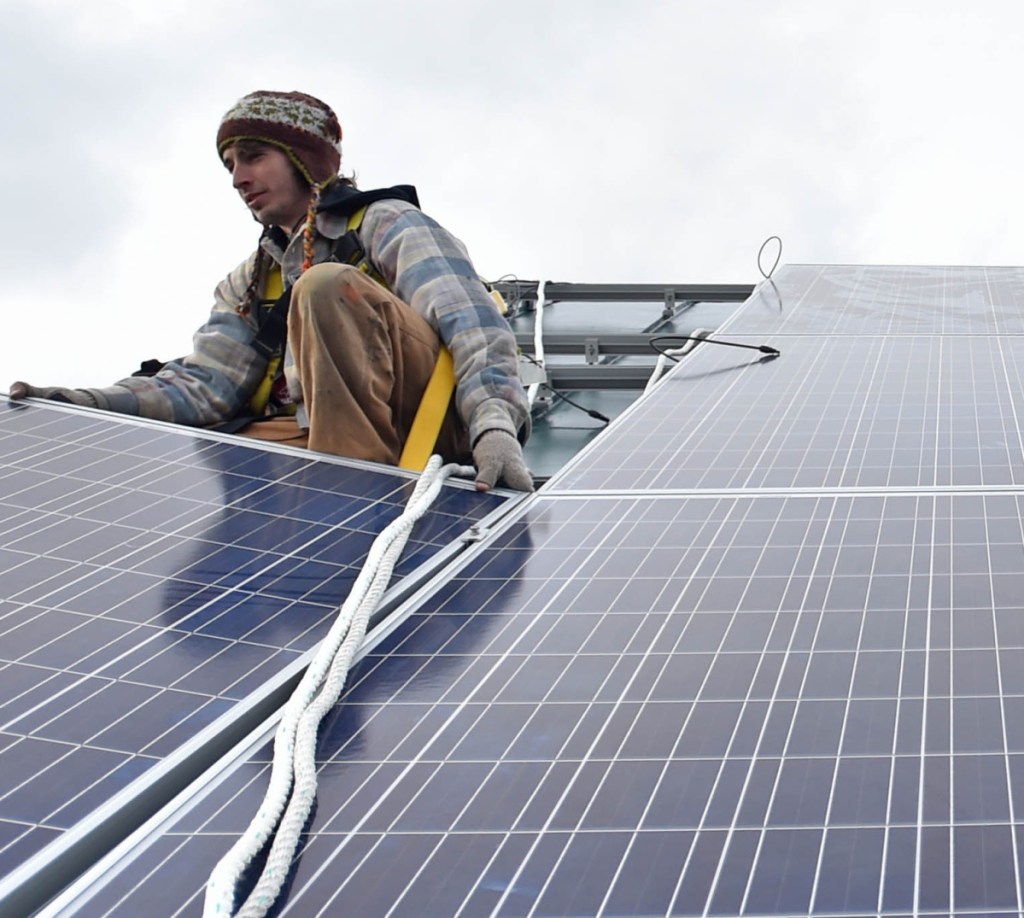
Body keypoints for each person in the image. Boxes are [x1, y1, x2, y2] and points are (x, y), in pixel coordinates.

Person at [9, 90, 533, 492]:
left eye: (253, 157)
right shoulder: (251, 280)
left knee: (326, 287)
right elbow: (203, 389)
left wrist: (494, 426)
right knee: (189, 467)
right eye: (231, 164)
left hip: (428, 431)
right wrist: (87, 407)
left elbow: (474, 326)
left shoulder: (388, 224)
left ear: (305, 160)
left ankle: (348, 502)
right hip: (312, 436)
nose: (238, 177)